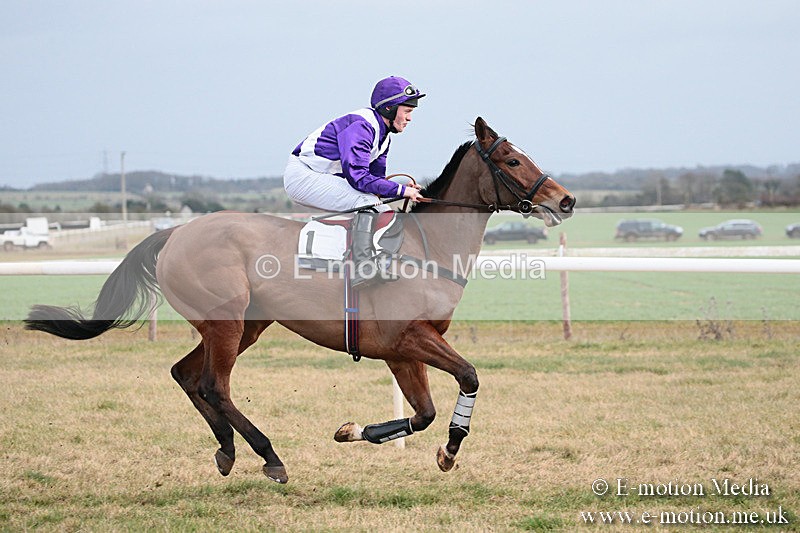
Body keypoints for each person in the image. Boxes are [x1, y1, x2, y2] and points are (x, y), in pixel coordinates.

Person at [284, 75, 425, 289]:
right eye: (407, 111)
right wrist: (401, 190)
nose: (409, 118)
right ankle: (363, 268)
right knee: (364, 201)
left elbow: (374, 182)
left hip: (322, 176)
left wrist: (401, 191)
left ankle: (372, 261)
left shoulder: (384, 136)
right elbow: (359, 178)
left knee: (377, 205)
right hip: (303, 175)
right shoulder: (362, 127)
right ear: (389, 109)